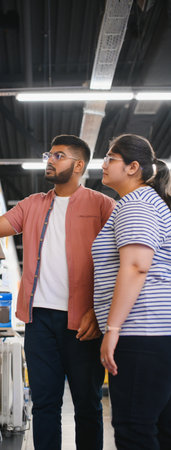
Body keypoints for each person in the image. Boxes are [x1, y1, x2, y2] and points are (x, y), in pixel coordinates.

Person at [0, 134, 115, 450]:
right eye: (49, 155)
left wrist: (99, 310)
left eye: (59, 156)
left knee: (88, 405)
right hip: (39, 322)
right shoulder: (32, 204)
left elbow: (117, 261)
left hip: (84, 323)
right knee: (44, 405)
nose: (50, 161)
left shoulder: (102, 206)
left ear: (79, 165)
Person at [92, 134, 171, 450]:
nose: (104, 163)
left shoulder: (136, 203)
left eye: (111, 157)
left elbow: (136, 266)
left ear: (133, 167)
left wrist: (113, 329)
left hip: (142, 334)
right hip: (156, 334)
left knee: (133, 430)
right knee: (160, 429)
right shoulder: (147, 203)